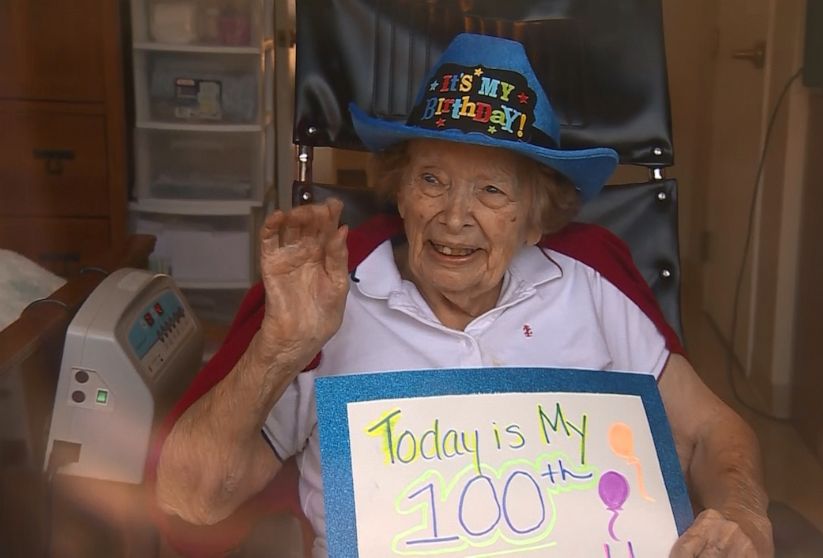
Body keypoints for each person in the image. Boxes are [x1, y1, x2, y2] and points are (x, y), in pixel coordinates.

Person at [154, 33, 773, 557]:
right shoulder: (330, 298)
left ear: (537, 217)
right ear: (398, 193)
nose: (455, 216)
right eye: (432, 180)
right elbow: (190, 497)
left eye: (492, 192)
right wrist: (280, 348)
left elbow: (712, 429)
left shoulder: (592, 285)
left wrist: (744, 517)